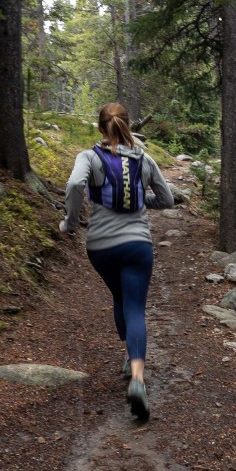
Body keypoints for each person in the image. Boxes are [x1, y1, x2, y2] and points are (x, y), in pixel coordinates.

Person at [59, 103, 174, 420]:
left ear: (100, 129)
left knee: (120, 297)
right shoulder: (145, 159)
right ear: (127, 126)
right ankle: (137, 377)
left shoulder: (89, 157)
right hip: (137, 244)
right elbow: (166, 199)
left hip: (100, 247)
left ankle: (127, 355)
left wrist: (70, 223)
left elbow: (73, 186)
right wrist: (141, 200)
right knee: (135, 305)